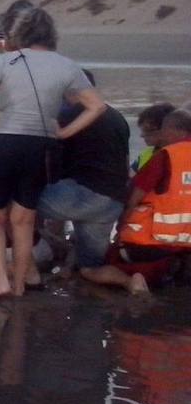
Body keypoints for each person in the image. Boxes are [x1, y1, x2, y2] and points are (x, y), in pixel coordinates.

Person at [0, 6, 106, 297]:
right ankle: (19, 285)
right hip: (40, 144)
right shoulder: (67, 65)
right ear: (51, 34)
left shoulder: (8, 60)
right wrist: (64, 132)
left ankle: (2, 281)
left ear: (21, 32)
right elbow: (97, 106)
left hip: (4, 141)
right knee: (24, 219)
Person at [83, 107, 191, 293]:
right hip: (185, 244)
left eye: (164, 130)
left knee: (89, 268)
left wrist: (120, 228)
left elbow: (134, 196)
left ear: (174, 130)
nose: (162, 135)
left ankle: (129, 281)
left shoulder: (166, 156)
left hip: (149, 243)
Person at [35, 71, 130, 270]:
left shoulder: (67, 115)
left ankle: (38, 249)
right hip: (112, 202)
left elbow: (50, 162)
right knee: (90, 267)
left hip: (81, 194)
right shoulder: (117, 117)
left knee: (18, 200)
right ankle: (130, 282)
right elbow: (125, 162)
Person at [133, 103, 175, 176]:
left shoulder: (184, 156)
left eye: (147, 130)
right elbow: (129, 178)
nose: (142, 135)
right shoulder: (146, 154)